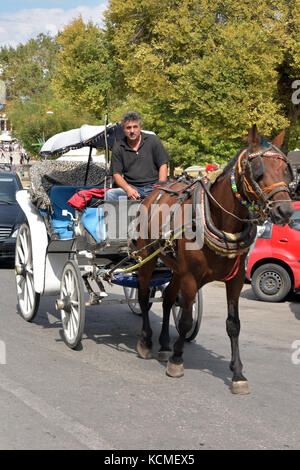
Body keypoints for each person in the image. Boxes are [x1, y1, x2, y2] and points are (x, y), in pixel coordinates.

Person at [105, 111, 170, 200]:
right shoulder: (118, 146)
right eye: (128, 128)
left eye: (135, 127)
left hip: (154, 187)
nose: (132, 131)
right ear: (123, 129)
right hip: (132, 187)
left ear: (140, 127)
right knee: (110, 194)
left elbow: (163, 164)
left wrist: (160, 186)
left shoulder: (153, 140)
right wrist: (128, 189)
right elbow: (116, 174)